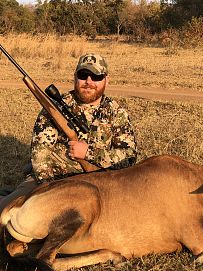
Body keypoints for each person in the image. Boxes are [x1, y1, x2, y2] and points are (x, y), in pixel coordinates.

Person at [0, 53, 137, 211]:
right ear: (75, 77)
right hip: (51, 182)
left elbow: (129, 157)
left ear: (106, 80)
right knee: (8, 212)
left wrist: (88, 153)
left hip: (100, 183)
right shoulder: (54, 108)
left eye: (96, 77)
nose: (88, 82)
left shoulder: (116, 113)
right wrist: (52, 190)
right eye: (83, 75)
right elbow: (40, 156)